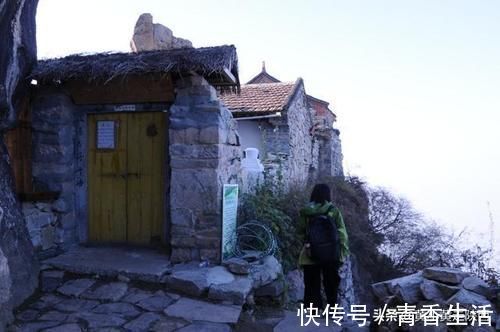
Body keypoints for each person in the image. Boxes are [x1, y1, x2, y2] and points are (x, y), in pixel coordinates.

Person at [298, 183, 349, 310]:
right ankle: (332, 310)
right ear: (328, 195)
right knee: (331, 284)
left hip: (311, 252)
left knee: (311, 284)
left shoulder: (306, 211)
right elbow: (342, 233)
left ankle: (313, 311)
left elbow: (301, 231)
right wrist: (343, 253)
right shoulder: (333, 210)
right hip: (331, 254)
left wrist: (307, 244)